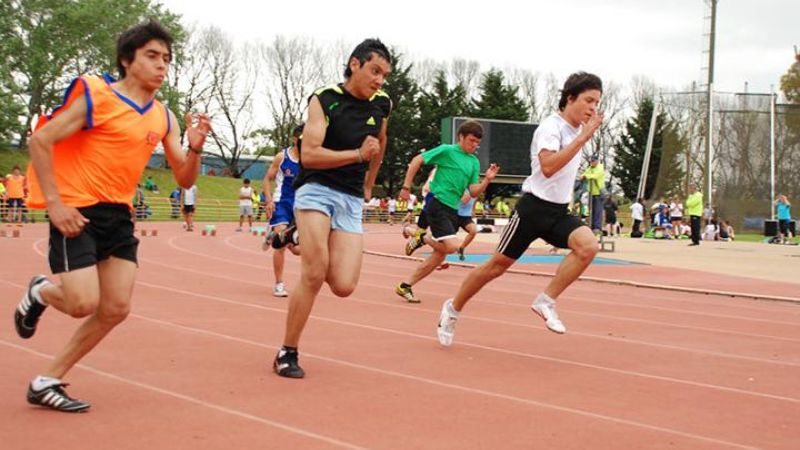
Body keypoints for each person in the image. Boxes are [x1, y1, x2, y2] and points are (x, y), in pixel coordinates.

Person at [14, 20, 211, 412]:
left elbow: (184, 178)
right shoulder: (98, 96)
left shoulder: (164, 117)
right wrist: (55, 204)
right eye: (152, 56)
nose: (161, 65)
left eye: (167, 59)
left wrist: (195, 148)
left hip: (119, 216)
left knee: (116, 308)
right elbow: (41, 140)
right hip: (77, 210)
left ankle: (46, 380)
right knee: (82, 303)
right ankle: (41, 292)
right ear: (126, 60)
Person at [435, 72, 603, 346]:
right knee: (495, 268)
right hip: (532, 210)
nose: (593, 108)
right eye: (589, 100)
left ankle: (546, 300)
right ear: (570, 98)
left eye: (597, 102)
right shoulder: (551, 127)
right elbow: (548, 167)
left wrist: (582, 138)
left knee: (589, 246)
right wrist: (583, 138)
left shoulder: (577, 132)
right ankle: (452, 309)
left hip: (559, 212)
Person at [270, 39, 392, 378]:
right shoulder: (324, 99)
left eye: (384, 75)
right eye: (374, 71)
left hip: (350, 198)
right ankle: (287, 351)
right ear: (354, 64)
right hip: (317, 189)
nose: (379, 80)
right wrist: (356, 155)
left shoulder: (382, 104)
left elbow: (380, 142)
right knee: (314, 271)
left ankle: (295, 234)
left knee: (343, 285)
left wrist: (369, 182)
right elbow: (309, 155)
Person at [395, 121, 499, 303]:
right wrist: (406, 187)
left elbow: (473, 191)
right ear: (461, 137)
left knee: (439, 256)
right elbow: (417, 160)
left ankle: (405, 286)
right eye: (471, 140)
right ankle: (421, 237)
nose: (474, 145)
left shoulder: (474, 162)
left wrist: (487, 180)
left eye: (477, 142)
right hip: (437, 203)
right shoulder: (447, 151)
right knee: (451, 247)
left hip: (453, 209)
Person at [262, 124, 303, 297]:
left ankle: (272, 234)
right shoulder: (282, 157)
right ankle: (279, 284)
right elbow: (267, 179)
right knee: (280, 245)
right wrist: (269, 201)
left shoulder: (311, 160)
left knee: (297, 250)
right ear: (295, 139)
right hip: (282, 203)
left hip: (300, 206)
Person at [581, 155, 605, 232]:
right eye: (591, 161)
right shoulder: (589, 168)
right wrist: (584, 176)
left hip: (599, 192)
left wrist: (586, 176)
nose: (592, 163)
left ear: (597, 161)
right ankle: (591, 226)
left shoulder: (600, 167)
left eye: (593, 161)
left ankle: (597, 227)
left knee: (598, 211)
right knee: (591, 210)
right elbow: (583, 175)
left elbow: (595, 176)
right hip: (591, 192)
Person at [456, 190, 479, 261]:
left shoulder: (477, 193)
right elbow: (463, 201)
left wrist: (473, 210)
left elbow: (474, 202)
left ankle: (461, 248)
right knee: (448, 238)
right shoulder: (464, 189)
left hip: (466, 217)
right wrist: (467, 195)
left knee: (473, 231)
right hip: (455, 215)